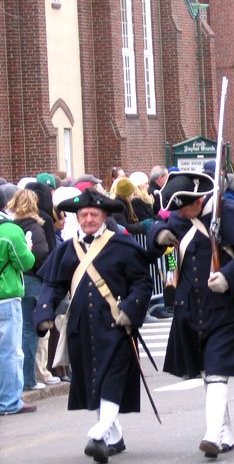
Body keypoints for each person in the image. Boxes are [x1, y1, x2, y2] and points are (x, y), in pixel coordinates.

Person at [33, 189, 153, 462]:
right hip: (81, 326)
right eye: (83, 215)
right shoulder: (66, 250)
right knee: (95, 380)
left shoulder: (122, 246)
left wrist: (130, 309)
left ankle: (99, 434)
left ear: (104, 216)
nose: (88, 219)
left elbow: (141, 283)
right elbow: (52, 285)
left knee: (111, 377)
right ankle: (114, 435)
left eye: (93, 215)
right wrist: (44, 314)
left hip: (115, 324)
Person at [148, 171, 234, 459]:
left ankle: (212, 434)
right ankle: (225, 431)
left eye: (185, 206)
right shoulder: (179, 217)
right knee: (207, 372)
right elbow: (165, 240)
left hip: (226, 306)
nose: (181, 213)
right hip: (192, 306)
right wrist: (159, 237)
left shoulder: (229, 212)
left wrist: (228, 276)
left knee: (217, 367)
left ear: (199, 200)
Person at [7, 189, 50, 392]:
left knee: (18, 333)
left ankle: (21, 379)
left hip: (17, 280)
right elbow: (42, 253)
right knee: (30, 331)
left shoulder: (10, 227)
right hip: (33, 280)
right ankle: (28, 379)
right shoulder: (35, 227)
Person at [0, 191, 37, 415]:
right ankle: (10, 401)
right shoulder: (10, 231)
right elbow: (26, 262)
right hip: (6, 295)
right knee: (9, 351)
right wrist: (29, 249)